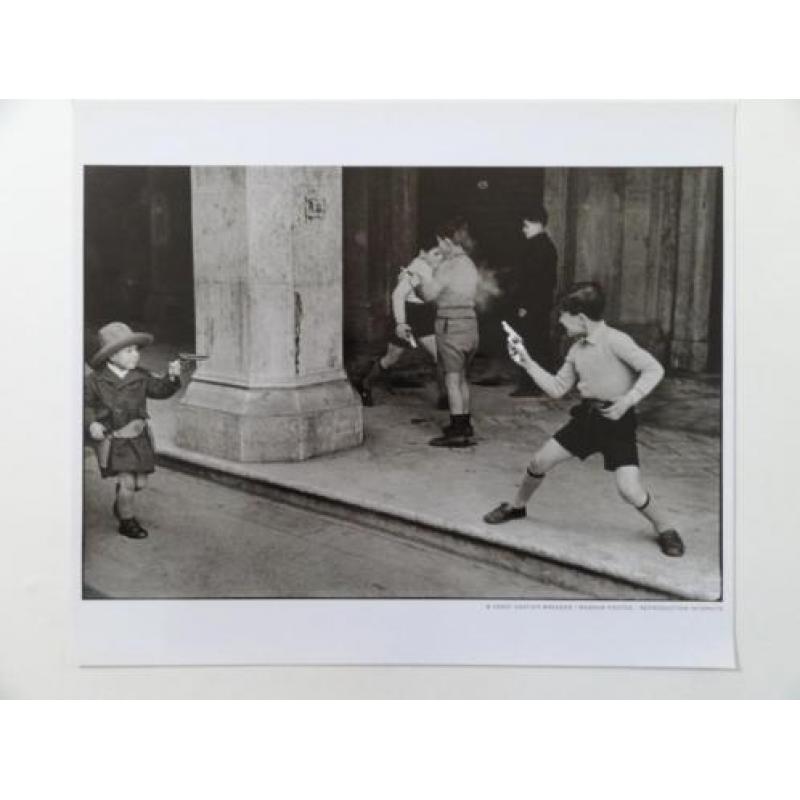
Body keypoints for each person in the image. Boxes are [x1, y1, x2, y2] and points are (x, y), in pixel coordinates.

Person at [483, 282, 685, 557]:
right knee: (538, 461)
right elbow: (556, 388)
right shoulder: (576, 349)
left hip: (618, 423)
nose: (560, 323)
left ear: (579, 317)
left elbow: (654, 369)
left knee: (629, 491)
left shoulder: (616, 340)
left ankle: (665, 527)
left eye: (563, 317)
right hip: (587, 419)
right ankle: (517, 506)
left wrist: (626, 402)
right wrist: (527, 362)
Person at [84, 321, 182, 539]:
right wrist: (92, 422)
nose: (135, 355)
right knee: (127, 481)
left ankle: (122, 500)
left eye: (136, 350)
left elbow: (161, 390)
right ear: (111, 356)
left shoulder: (141, 376)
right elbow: (87, 404)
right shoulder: (94, 381)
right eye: (128, 351)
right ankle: (127, 520)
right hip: (116, 439)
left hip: (138, 437)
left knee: (140, 482)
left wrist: (172, 377)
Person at [407, 217, 480, 447]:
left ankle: (457, 432)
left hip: (451, 325)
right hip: (470, 324)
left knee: (451, 380)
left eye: (440, 243)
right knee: (462, 378)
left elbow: (428, 294)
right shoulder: (468, 263)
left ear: (447, 241)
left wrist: (417, 276)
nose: (438, 248)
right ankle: (464, 423)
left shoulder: (449, 266)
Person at [355, 247, 448, 410]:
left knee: (440, 356)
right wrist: (401, 323)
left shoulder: (434, 267)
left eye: (441, 254)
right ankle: (365, 384)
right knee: (392, 357)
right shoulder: (415, 269)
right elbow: (397, 295)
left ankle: (445, 396)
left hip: (424, 314)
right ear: (422, 253)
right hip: (408, 314)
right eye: (435, 253)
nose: (440, 258)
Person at [508, 205, 558, 397]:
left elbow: (535, 282)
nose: (523, 229)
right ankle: (538, 383)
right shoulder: (543, 245)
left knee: (530, 345)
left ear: (538, 224)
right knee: (538, 343)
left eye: (526, 225)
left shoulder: (540, 248)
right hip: (540, 305)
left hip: (534, 305)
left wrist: (525, 306)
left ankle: (530, 386)